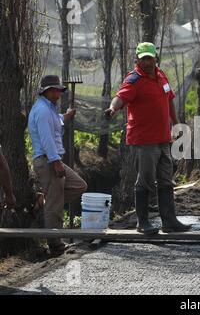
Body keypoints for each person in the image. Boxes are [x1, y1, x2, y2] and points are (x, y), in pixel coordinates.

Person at [105, 42, 191, 235]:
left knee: (166, 180)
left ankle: (169, 221)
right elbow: (120, 97)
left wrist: (176, 123)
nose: (147, 62)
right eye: (143, 58)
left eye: (149, 58)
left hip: (163, 139)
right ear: (137, 59)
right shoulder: (134, 79)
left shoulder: (161, 75)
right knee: (144, 180)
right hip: (144, 141)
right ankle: (142, 222)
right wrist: (112, 108)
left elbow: (169, 100)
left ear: (155, 58)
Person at [28, 75, 88, 256]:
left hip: (53, 159)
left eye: (60, 90)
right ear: (47, 91)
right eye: (56, 90)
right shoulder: (43, 110)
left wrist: (66, 116)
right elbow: (46, 139)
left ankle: (45, 201)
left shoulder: (50, 109)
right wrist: (55, 162)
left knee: (79, 186)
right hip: (47, 160)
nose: (59, 93)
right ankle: (55, 245)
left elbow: (55, 121)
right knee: (54, 205)